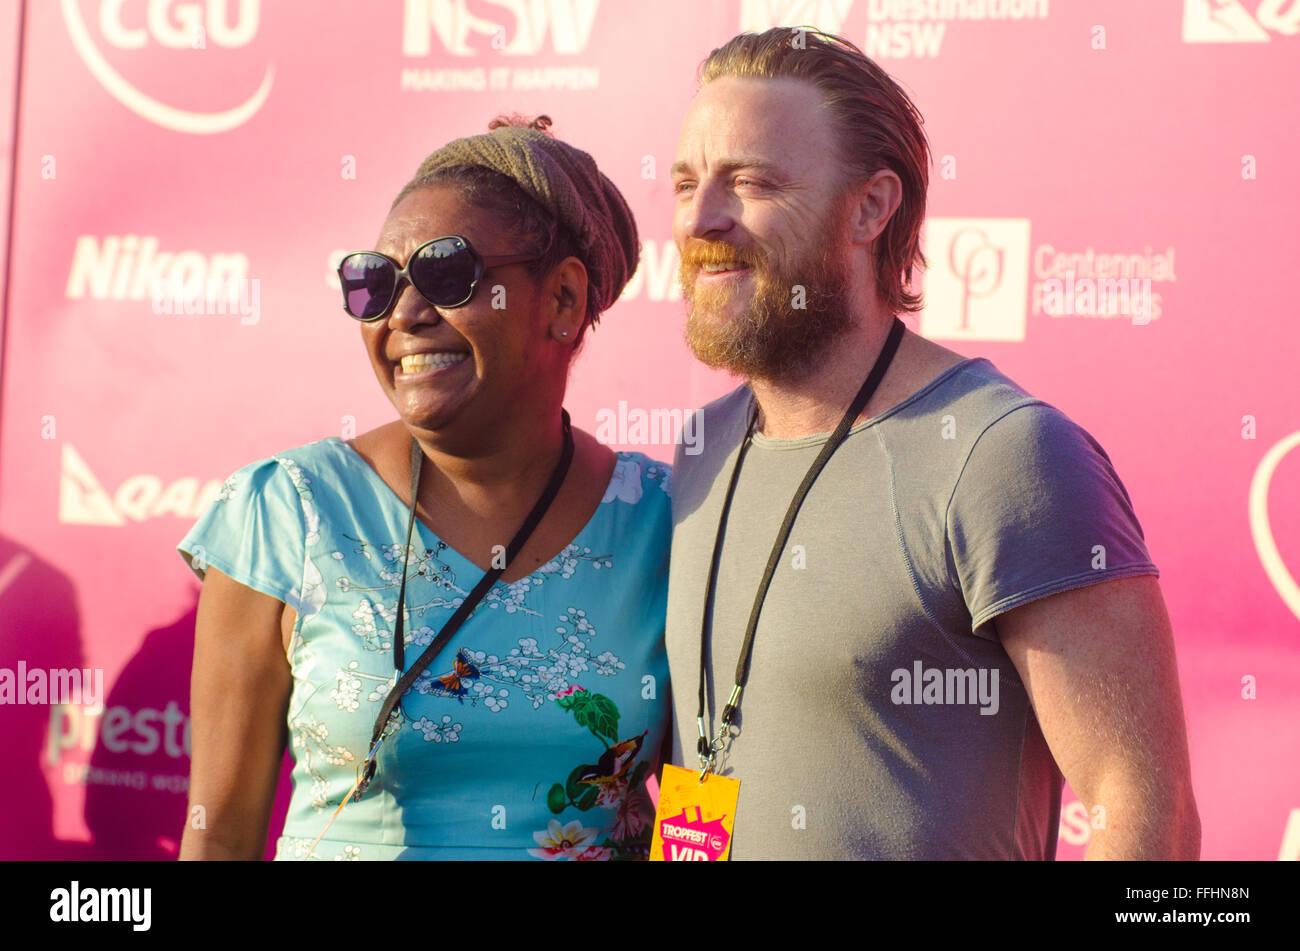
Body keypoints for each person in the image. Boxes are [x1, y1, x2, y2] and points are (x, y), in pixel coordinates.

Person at [664, 29, 1200, 859]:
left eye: (753, 181)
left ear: (872, 208)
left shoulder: (1006, 453)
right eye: (687, 182)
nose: (701, 217)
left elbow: (1148, 816)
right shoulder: (701, 450)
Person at [177, 115, 671, 861]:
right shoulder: (287, 512)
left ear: (564, 300)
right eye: (373, 282)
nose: (403, 314)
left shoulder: (670, 525)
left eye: (448, 275)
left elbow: (709, 808)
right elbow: (219, 843)